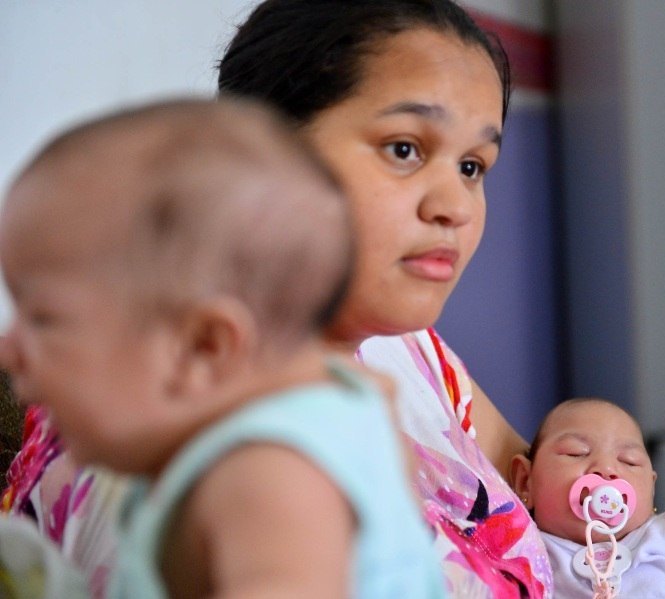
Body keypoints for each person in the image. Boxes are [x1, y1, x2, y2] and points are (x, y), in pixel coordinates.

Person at [2, 1, 665, 597]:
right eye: (406, 148)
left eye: (475, 166)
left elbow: (553, 502)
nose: (456, 205)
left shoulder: (395, 349)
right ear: (264, 152)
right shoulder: (225, 465)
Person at [0, 97, 446, 598]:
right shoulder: (348, 405)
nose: (6, 350)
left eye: (42, 317)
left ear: (205, 348)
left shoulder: (267, 474)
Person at [510, 398, 665, 598]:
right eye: (577, 453)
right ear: (525, 482)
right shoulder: (518, 549)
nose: (606, 468)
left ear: (650, 489)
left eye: (629, 461)